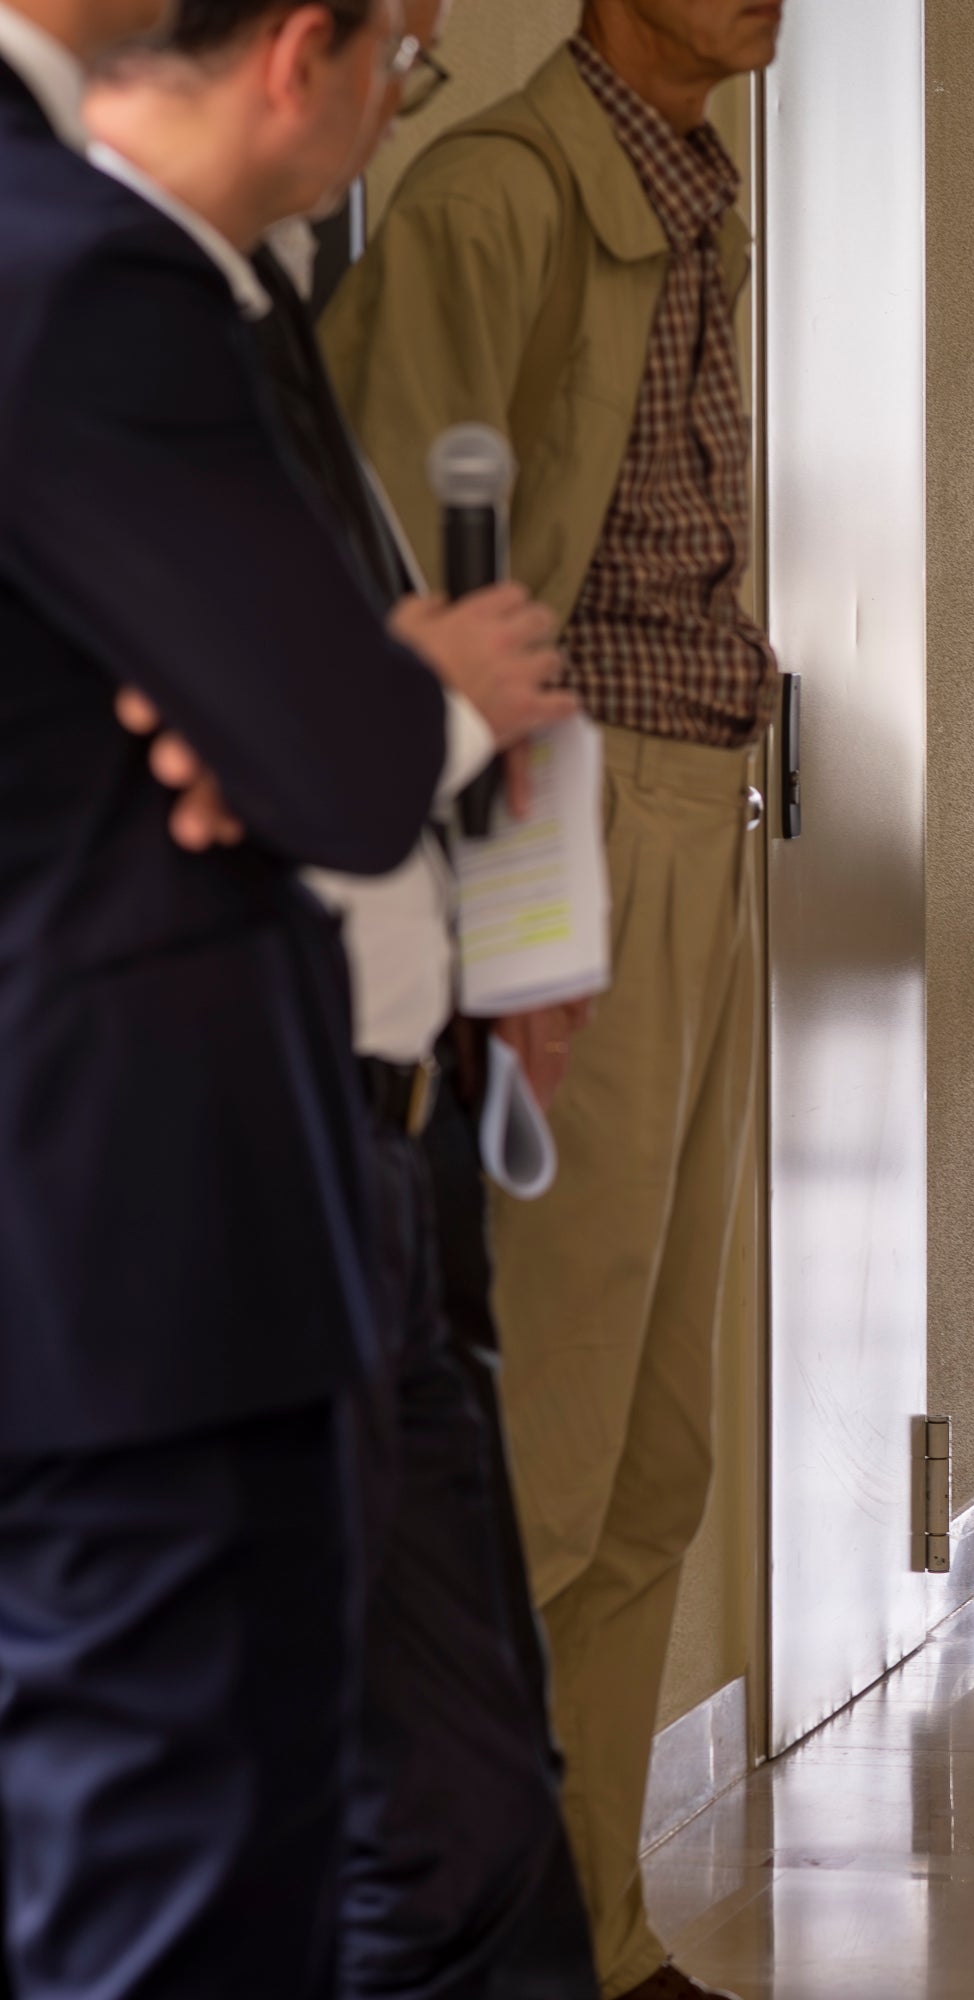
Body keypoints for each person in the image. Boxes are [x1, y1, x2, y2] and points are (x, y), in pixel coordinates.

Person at [84, 1, 608, 1992]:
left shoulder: (261, 313)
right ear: (301, 55)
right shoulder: (96, 332)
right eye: (404, 54)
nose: (420, 84)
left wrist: (504, 949)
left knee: (461, 1811)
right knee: (268, 1827)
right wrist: (388, 701)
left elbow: (338, 727)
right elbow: (287, 745)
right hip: (221, 1174)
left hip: (390, 1156)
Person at [319, 3, 784, 1994]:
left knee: (659, 1444)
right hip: (563, 829)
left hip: (704, 812)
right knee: (553, 1441)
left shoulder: (693, 186)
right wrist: (497, 933)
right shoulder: (499, 196)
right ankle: (494, 1944)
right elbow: (399, 595)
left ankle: (599, 1930)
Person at [0, 0, 452, 1987]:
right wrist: (326, 691)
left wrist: (258, 697)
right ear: (306, 53)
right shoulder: (83, 268)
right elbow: (350, 756)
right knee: (177, 1905)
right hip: (138, 1250)